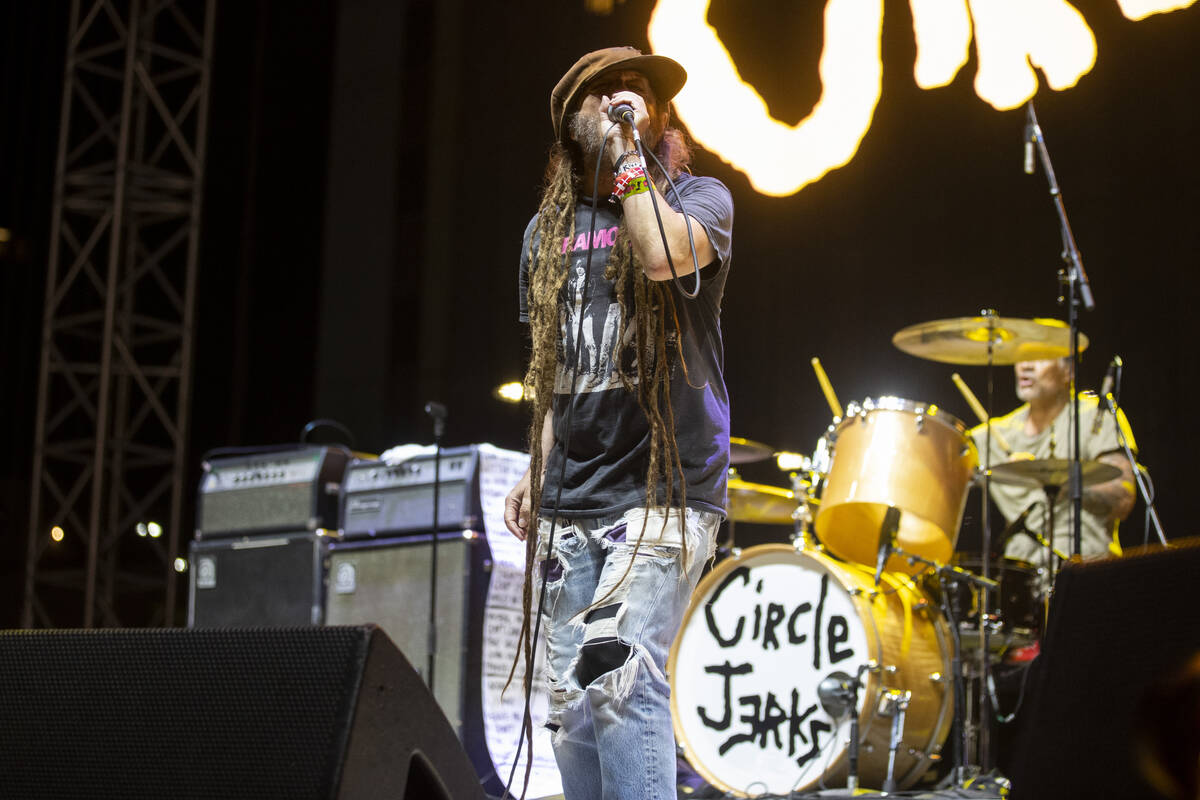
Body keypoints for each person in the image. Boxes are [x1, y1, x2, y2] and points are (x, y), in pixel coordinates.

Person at [502, 46, 734, 799]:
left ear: (660, 114)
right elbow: (552, 366)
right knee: (571, 706)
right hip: (574, 498)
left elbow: (662, 257)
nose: (620, 100)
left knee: (618, 668)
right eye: (600, 93)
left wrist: (631, 156)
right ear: (571, 122)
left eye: (635, 91)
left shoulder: (702, 199)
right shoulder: (546, 233)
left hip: (665, 493)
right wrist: (535, 469)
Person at [970, 357, 1137, 572]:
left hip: (1089, 568)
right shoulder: (993, 434)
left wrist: (1051, 479)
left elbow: (1122, 498)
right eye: (1020, 357)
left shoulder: (1095, 417)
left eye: (1040, 356)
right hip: (1021, 577)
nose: (1025, 365)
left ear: (1068, 371)